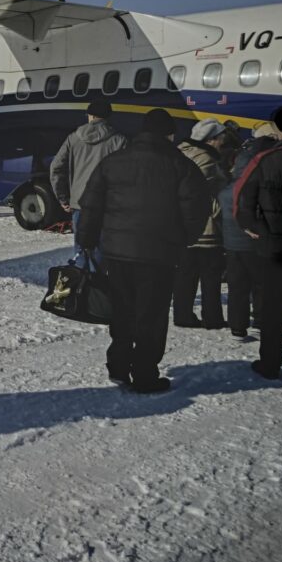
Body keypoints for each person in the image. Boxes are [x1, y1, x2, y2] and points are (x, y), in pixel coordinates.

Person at [77, 108, 209, 393]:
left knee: (122, 310)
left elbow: (91, 204)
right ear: (170, 133)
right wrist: (184, 240)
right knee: (152, 315)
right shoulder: (182, 165)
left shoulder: (113, 162)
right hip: (159, 255)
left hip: (118, 253)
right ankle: (146, 375)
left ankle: (118, 366)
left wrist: (86, 239)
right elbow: (197, 210)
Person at [235, 105, 282, 383]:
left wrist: (254, 229)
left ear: (277, 128)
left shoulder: (264, 160)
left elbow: (242, 202)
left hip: (274, 249)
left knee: (273, 309)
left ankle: (270, 363)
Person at [215, 124, 279, 338]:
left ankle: (237, 326)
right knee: (261, 283)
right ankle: (260, 320)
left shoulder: (228, 187)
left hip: (232, 244)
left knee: (237, 286)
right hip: (257, 242)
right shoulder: (262, 183)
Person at [172, 118, 231, 329]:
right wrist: (219, 207)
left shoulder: (180, 152)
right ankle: (212, 317)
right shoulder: (205, 159)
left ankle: (182, 314)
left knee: (185, 273)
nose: (223, 143)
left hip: (183, 226)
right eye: (221, 139)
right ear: (211, 140)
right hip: (204, 225)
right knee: (210, 274)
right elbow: (198, 192)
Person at [49, 99, 127, 260]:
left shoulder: (73, 138)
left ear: (90, 116)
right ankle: (97, 282)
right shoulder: (119, 141)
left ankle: (81, 282)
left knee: (81, 249)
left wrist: (63, 198)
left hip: (79, 203)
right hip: (107, 205)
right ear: (108, 117)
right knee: (102, 250)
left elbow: (56, 168)